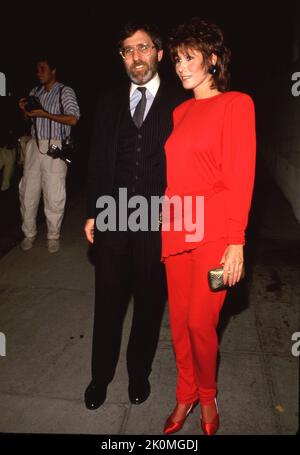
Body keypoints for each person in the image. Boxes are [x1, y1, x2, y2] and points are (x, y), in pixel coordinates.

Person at [84, 23, 188, 409]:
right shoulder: (109, 102)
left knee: (148, 304)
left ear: (159, 53)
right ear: (122, 58)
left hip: (158, 222)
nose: (136, 57)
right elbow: (97, 162)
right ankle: (100, 377)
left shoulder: (181, 103)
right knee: (107, 302)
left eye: (143, 48)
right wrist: (95, 211)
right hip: (113, 216)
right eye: (127, 51)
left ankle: (138, 374)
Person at [161, 18, 256, 435]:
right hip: (176, 226)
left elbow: (241, 174)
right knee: (179, 322)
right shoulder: (179, 111)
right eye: (177, 59)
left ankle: (207, 393)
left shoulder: (237, 104)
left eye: (190, 58)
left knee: (201, 322)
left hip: (215, 231)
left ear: (213, 59)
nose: (180, 67)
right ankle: (184, 394)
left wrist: (236, 242)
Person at [18, 56, 80, 253]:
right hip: (34, 146)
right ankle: (29, 233)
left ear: (53, 70)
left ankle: (53, 235)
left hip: (55, 147)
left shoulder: (64, 91)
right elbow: (29, 120)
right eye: (37, 69)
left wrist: (45, 114)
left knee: (54, 195)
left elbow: (73, 119)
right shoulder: (34, 92)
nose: (39, 73)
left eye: (43, 69)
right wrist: (25, 111)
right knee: (27, 192)